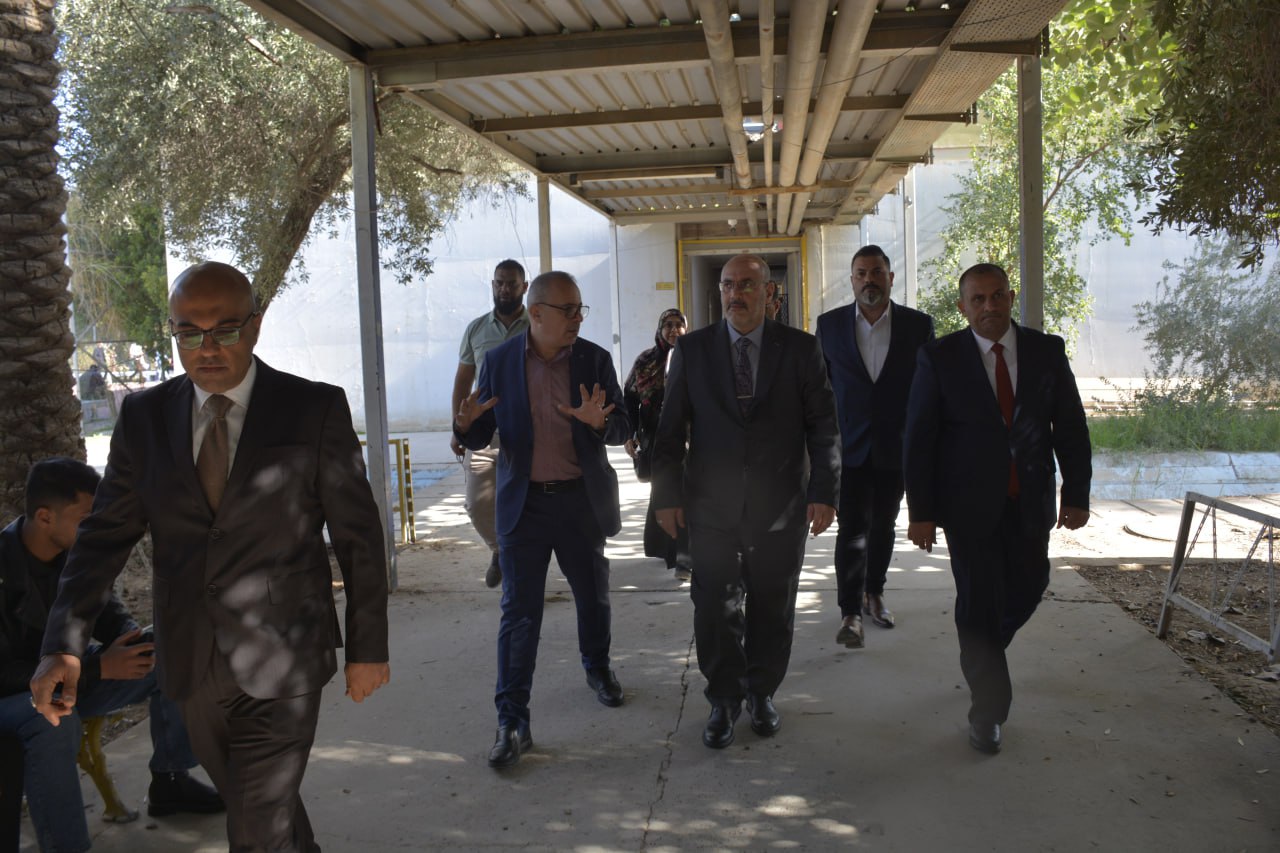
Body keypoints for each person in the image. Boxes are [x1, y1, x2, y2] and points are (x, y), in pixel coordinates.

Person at [31, 261, 391, 851]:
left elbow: (359, 536)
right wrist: (63, 644)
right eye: (188, 333)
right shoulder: (144, 417)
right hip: (191, 656)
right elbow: (102, 538)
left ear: (254, 325)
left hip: (285, 654)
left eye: (224, 330)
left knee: (255, 829)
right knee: (265, 814)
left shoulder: (313, 408)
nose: (207, 349)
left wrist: (368, 645)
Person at [651, 254, 840, 750]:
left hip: (781, 507)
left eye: (748, 285)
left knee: (773, 607)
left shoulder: (800, 349)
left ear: (769, 292)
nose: (736, 294)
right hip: (710, 508)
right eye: (728, 285)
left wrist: (824, 492)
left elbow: (823, 425)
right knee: (714, 607)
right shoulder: (692, 350)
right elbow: (669, 430)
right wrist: (665, 497)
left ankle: (761, 692)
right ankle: (723, 699)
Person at [903, 262, 1091, 755]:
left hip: (1029, 501)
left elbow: (1071, 426)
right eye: (978, 299)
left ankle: (983, 650)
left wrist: (1076, 494)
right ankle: (987, 711)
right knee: (977, 602)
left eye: (997, 296)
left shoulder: (1047, 351)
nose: (989, 306)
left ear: (1010, 297)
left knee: (1031, 585)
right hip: (967, 507)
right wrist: (920, 512)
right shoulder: (938, 357)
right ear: (963, 307)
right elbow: (919, 439)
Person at [454, 270, 631, 770]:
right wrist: (465, 427)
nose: (577, 319)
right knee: (519, 613)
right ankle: (512, 722)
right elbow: (482, 429)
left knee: (592, 596)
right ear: (536, 313)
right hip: (524, 505)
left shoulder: (594, 359)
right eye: (567, 310)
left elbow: (623, 425)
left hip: (580, 502)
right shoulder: (500, 361)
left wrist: (601, 422)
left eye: (580, 309)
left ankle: (598, 668)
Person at [2, 458, 223, 852]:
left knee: (172, 649)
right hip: (14, 697)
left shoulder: (77, 554)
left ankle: (171, 780)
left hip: (75, 677)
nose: (96, 527)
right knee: (54, 719)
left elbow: (107, 613)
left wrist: (132, 641)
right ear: (45, 517)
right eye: (86, 518)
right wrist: (97, 667)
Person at [815, 245, 935, 649]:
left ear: (890, 278)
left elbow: (927, 389)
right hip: (847, 448)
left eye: (877, 272)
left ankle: (874, 593)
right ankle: (849, 612)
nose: (870, 280)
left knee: (883, 525)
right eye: (862, 273)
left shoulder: (918, 326)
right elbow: (819, 390)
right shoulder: (829, 326)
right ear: (852, 280)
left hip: (894, 446)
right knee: (851, 527)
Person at [450, 259, 531, 588]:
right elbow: (463, 380)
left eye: (511, 283)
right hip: (484, 432)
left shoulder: (537, 325)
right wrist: (457, 428)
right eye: (499, 283)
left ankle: (520, 563)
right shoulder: (476, 329)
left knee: (527, 503)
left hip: (527, 431)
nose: (504, 289)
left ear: (524, 287)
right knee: (477, 503)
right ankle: (499, 550)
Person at [623, 308, 691, 580]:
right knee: (663, 491)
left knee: (685, 493)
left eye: (679, 325)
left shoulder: (696, 358)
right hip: (656, 437)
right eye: (668, 325)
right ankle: (666, 549)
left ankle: (684, 560)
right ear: (660, 329)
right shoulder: (646, 360)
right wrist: (630, 432)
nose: (673, 330)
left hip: (688, 438)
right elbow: (629, 397)